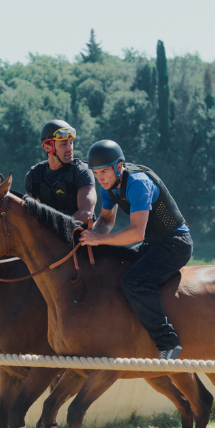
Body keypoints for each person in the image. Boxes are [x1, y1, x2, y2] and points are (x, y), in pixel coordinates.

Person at [80, 139, 192, 360]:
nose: (100, 178)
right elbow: (105, 221)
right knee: (114, 263)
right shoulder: (108, 187)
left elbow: (136, 233)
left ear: (119, 166)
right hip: (153, 244)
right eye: (96, 173)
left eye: (104, 172)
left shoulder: (138, 183)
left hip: (175, 243)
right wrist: (87, 242)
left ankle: (168, 343)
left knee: (134, 282)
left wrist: (99, 241)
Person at [24, 119, 96, 223]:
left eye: (71, 143)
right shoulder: (33, 176)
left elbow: (86, 214)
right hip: (46, 237)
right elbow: (28, 214)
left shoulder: (81, 171)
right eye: (64, 144)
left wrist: (52, 229)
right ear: (48, 148)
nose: (70, 148)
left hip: (79, 236)